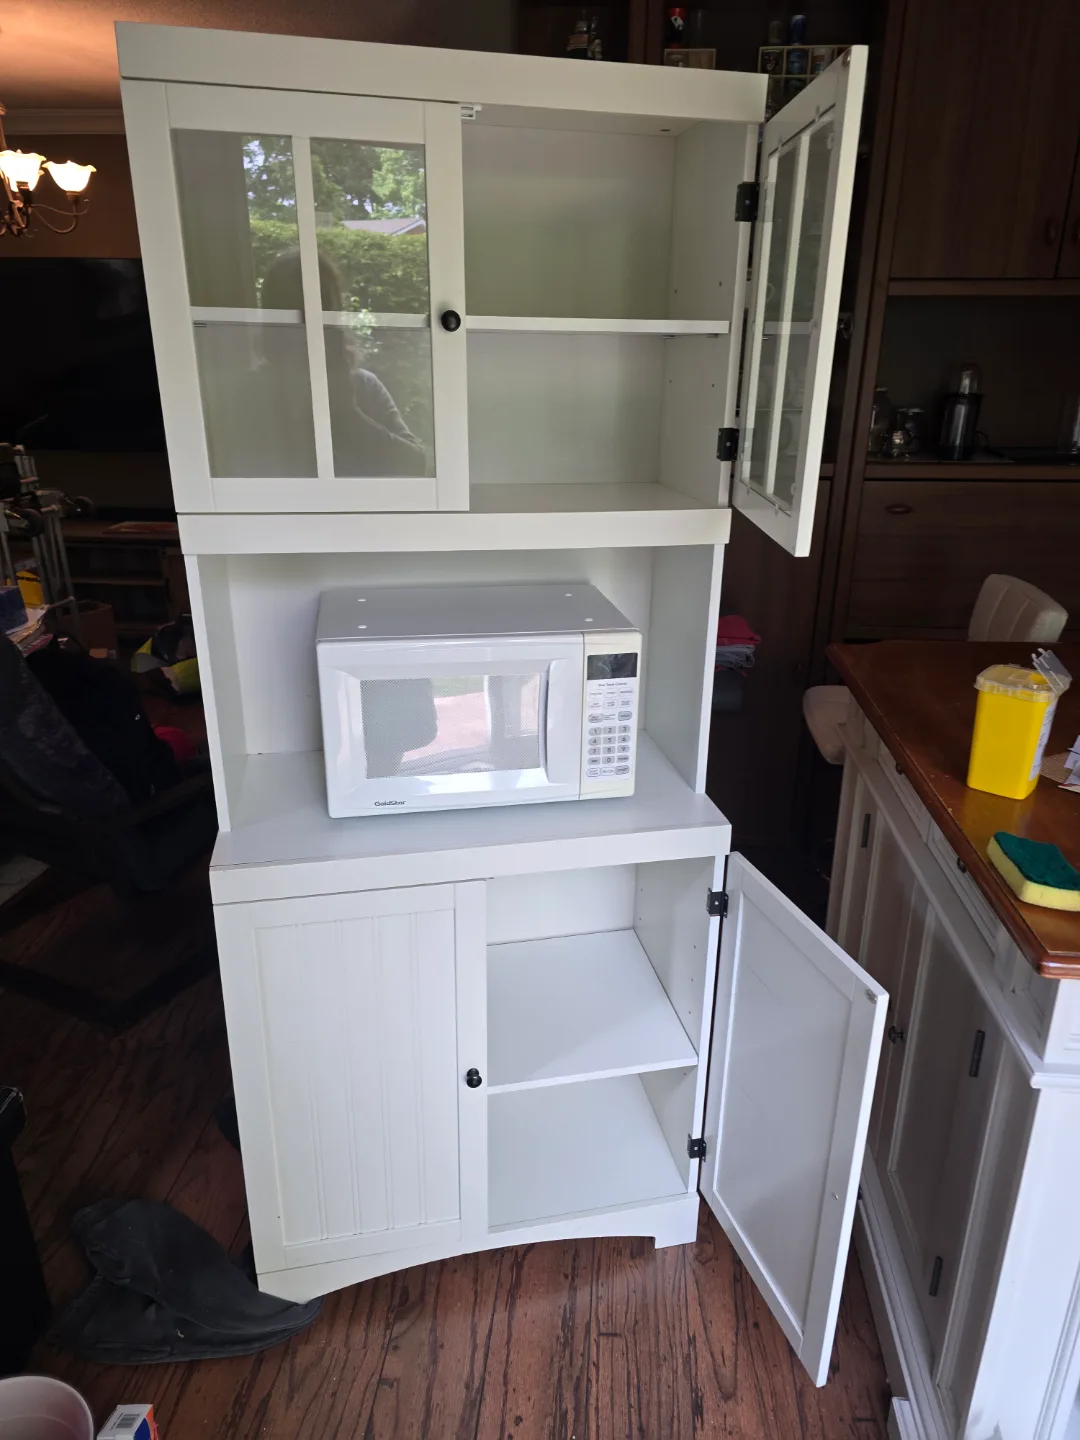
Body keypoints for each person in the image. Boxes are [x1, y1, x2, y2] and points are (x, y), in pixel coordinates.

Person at [260, 248, 427, 478]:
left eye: (324, 314)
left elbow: (415, 465)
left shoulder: (364, 386)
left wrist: (347, 414)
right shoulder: (250, 393)